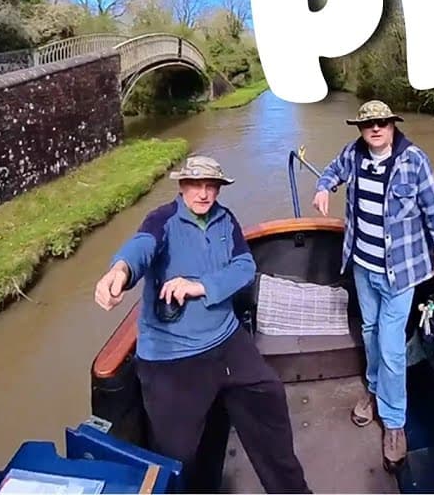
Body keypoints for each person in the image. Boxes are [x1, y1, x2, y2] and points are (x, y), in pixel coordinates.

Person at [94, 155, 310, 494]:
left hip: (226, 341)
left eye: (211, 186)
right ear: (182, 186)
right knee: (178, 456)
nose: (204, 194)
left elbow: (243, 267)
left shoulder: (226, 220)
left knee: (268, 396)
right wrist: (119, 271)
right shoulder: (161, 221)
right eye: (196, 185)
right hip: (172, 357)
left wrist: (201, 286)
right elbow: (141, 248)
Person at [312, 100, 434, 472]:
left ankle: (394, 423)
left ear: (392, 126)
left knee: (390, 347)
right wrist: (324, 186)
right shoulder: (353, 154)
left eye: (382, 123)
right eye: (368, 124)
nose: (375, 129)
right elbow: (332, 171)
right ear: (360, 129)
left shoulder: (413, 161)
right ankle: (374, 391)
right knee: (371, 332)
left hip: (400, 273)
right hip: (361, 266)